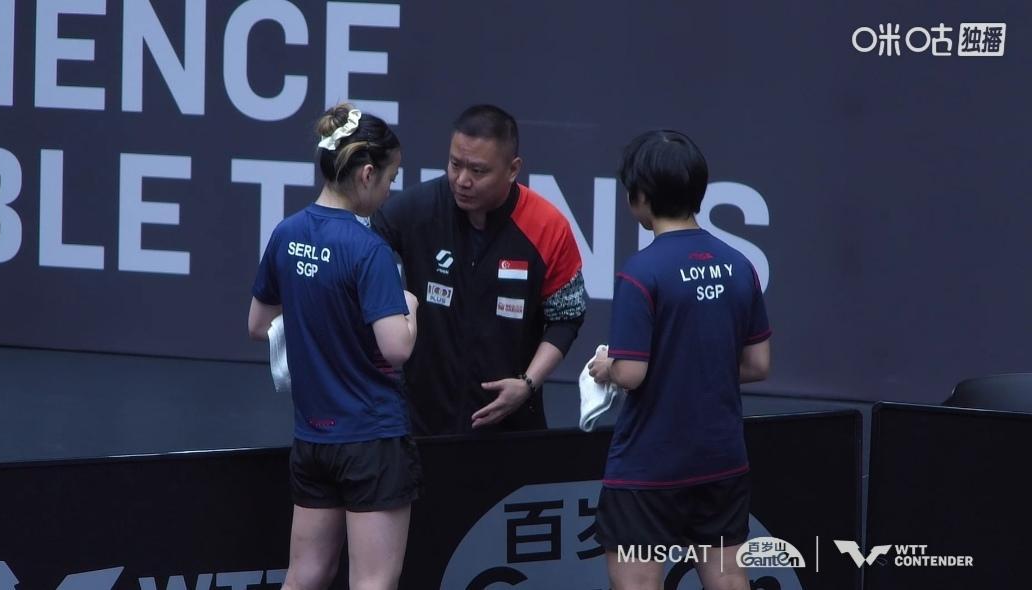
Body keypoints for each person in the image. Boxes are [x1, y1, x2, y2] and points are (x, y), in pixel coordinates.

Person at [588, 130, 772, 590]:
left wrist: (606, 368)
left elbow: (631, 373)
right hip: (721, 460)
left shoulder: (641, 272)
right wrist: (696, 366)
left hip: (649, 465)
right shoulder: (740, 265)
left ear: (640, 197)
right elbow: (757, 365)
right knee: (729, 581)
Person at [248, 103, 420, 590]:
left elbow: (258, 324)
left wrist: (318, 318)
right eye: (390, 179)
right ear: (366, 174)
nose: (389, 192)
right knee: (373, 581)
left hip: (313, 439)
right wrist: (410, 308)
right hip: (371, 439)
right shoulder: (369, 250)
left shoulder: (287, 233)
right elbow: (397, 349)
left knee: (306, 574)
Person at [371, 104, 587, 435]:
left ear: (513, 169)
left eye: (478, 170)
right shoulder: (416, 210)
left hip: (512, 427)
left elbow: (567, 317)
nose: (462, 180)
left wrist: (527, 384)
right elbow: (356, 250)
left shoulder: (548, 227)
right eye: (454, 164)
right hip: (420, 426)